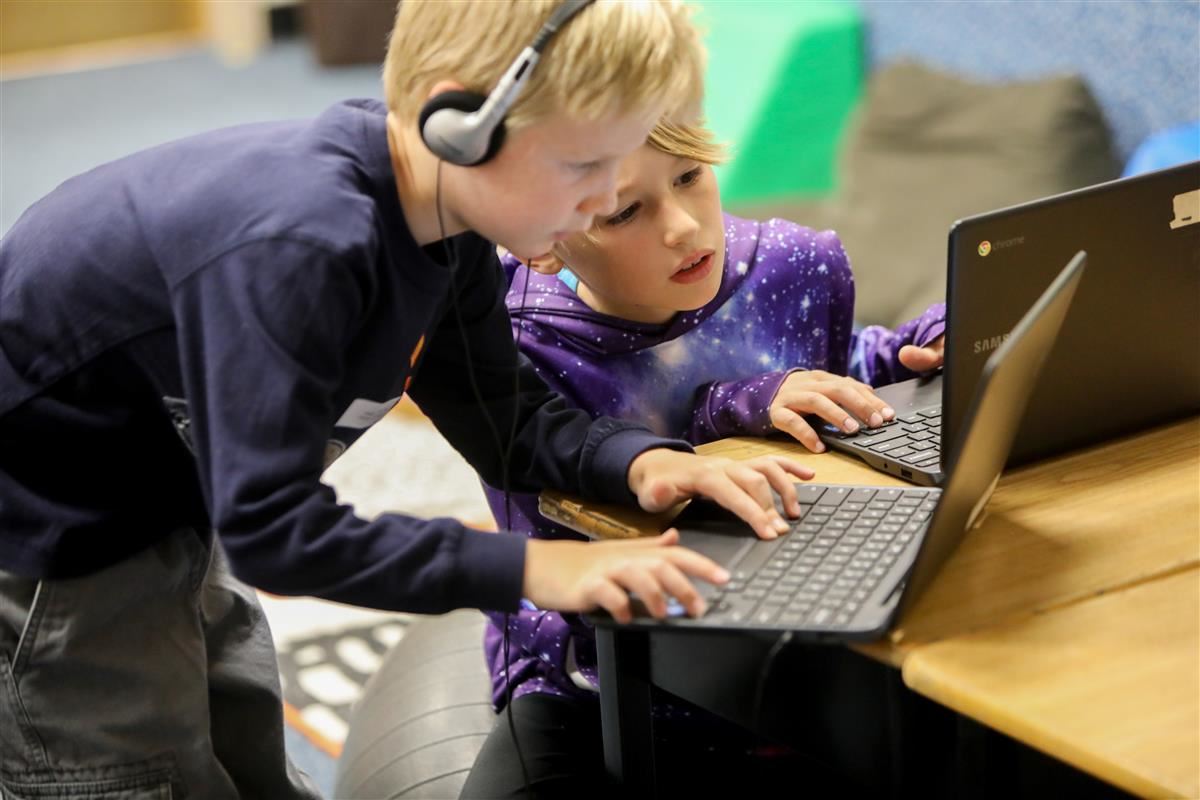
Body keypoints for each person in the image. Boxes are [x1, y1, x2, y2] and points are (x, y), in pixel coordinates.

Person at [0, 3, 814, 797]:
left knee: (239, 735)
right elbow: (275, 531)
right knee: (134, 773)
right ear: (455, 122)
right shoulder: (303, 248)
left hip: (166, 497)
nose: (603, 201)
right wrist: (541, 567)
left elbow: (508, 418)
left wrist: (640, 466)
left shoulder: (445, 222)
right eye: (583, 167)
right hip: (48, 550)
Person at [463, 118, 947, 796]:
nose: (685, 227)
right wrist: (726, 410)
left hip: (793, 649)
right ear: (543, 242)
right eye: (626, 211)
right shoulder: (514, 350)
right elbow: (583, 558)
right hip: (598, 685)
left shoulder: (790, 265)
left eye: (689, 176)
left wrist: (907, 357)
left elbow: (834, 370)